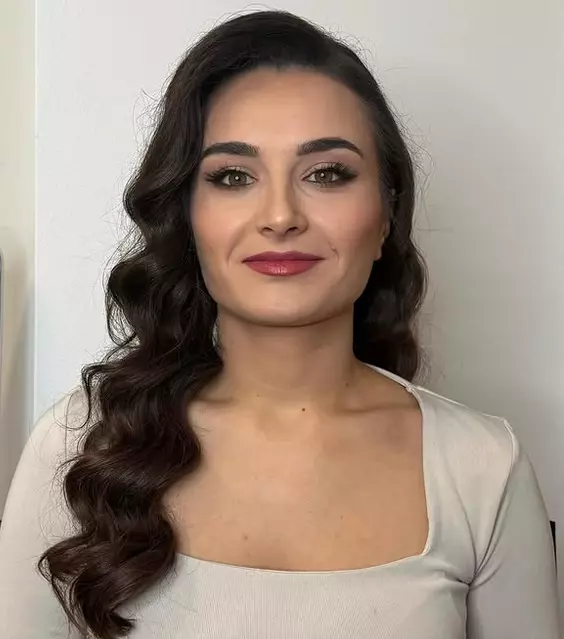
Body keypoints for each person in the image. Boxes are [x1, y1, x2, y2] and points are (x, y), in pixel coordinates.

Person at [0, 9, 559, 639]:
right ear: (187, 216)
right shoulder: (81, 446)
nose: (280, 215)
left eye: (327, 174)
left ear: (385, 215)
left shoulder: (484, 468)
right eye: (233, 177)